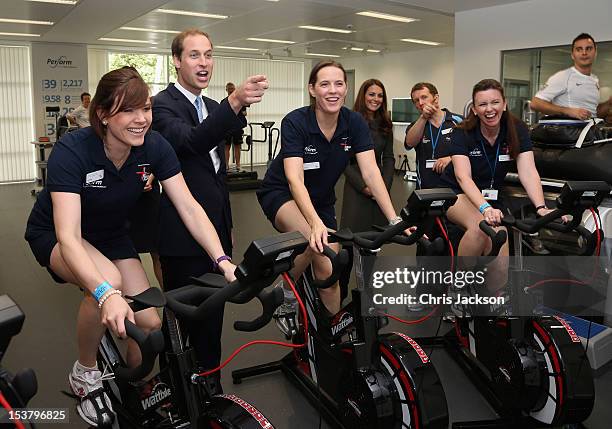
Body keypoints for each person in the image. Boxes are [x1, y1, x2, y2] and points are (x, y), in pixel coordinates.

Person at [24, 67, 237, 427]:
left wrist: (222, 260)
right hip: (59, 235)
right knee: (105, 282)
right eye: (128, 111)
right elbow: (69, 237)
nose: (141, 120)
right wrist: (105, 293)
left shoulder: (153, 146)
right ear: (103, 114)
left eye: (146, 109)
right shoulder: (73, 151)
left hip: (111, 235)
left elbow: (188, 206)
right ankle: (85, 371)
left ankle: (137, 383)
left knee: (150, 320)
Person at [257, 61, 404, 334]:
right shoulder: (296, 121)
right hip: (282, 193)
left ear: (346, 89)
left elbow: (371, 171)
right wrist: (314, 223)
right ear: (312, 89)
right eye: (324, 84)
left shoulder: (354, 122)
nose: (332, 90)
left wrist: (393, 218)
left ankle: (333, 334)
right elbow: (294, 179)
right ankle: (284, 294)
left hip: (322, 201)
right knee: (311, 239)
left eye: (338, 84)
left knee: (330, 270)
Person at [151, 28, 268, 374]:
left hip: (215, 228)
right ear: (176, 61)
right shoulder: (161, 106)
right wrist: (236, 102)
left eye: (209, 54)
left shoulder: (214, 107)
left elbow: (217, 176)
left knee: (213, 316)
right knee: (182, 319)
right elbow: (191, 143)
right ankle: (175, 387)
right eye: (194, 55)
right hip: (180, 234)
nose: (204, 63)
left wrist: (226, 226)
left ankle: (209, 382)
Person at [441, 79, 555, 293]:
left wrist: (541, 207)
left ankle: (494, 300)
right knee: (479, 228)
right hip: (458, 194)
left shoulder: (517, 129)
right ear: (474, 109)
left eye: (495, 102)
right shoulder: (462, 132)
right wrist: (485, 208)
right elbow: (463, 177)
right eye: (482, 104)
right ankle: (457, 288)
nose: (489, 109)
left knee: (500, 241)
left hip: (492, 197)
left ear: (504, 104)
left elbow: (528, 171)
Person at [338, 78, 394, 302]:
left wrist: (384, 185)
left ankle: (368, 296)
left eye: (380, 95)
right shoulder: (349, 121)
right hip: (356, 189)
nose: (376, 99)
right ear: (363, 95)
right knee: (349, 247)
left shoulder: (385, 124)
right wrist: (364, 186)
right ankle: (339, 297)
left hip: (378, 187)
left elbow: (388, 158)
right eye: (372, 94)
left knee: (372, 246)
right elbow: (344, 161)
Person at [405, 82, 463, 189]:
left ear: (436, 98)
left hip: (455, 188)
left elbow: (472, 151)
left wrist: (452, 159)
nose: (420, 103)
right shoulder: (415, 126)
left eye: (424, 97)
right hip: (426, 189)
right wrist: (423, 117)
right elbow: (409, 143)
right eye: (416, 101)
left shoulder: (459, 121)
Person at [530, 33, 602, 120]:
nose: (584, 53)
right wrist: (567, 111)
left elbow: (592, 112)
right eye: (579, 49)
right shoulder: (563, 76)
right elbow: (535, 103)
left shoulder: (595, 79)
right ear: (572, 55)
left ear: (595, 52)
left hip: (589, 130)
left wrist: (608, 104)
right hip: (569, 132)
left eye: (588, 49)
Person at [223, 82, 248, 170]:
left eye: (232, 89)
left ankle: (238, 164)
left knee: (237, 146)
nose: (230, 90)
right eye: (229, 89)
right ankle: (226, 165)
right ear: (226, 90)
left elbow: (244, 113)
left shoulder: (240, 101)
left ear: (234, 89)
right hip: (227, 127)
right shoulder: (224, 102)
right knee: (227, 146)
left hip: (237, 127)